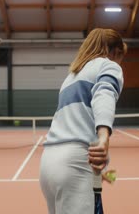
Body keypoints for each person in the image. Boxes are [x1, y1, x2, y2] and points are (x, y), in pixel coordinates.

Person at [39, 28, 127, 214]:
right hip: (75, 163)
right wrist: (104, 137)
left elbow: (78, 122)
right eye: (120, 56)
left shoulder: (70, 77)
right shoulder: (108, 66)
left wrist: (98, 174)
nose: (120, 62)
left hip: (48, 165)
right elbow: (104, 94)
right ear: (115, 52)